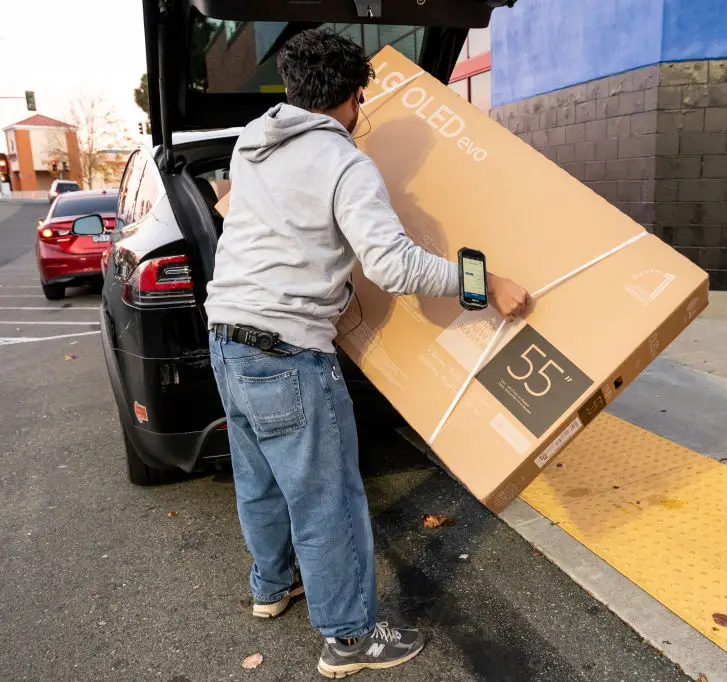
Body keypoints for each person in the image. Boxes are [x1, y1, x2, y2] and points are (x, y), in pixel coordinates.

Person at [203, 29, 530, 677]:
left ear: (292, 88)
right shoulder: (345, 163)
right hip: (288, 350)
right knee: (325, 499)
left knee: (259, 479)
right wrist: (484, 283)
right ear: (353, 96)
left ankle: (272, 588)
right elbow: (394, 264)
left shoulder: (251, 142)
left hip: (224, 337)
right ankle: (350, 640)